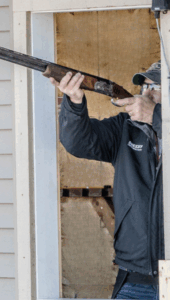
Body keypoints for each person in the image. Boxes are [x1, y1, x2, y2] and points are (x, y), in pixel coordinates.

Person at [50, 61, 162, 300]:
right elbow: (78, 143)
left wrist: (159, 119)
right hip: (134, 277)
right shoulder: (125, 127)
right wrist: (74, 101)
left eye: (156, 87)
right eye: (144, 87)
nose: (146, 94)